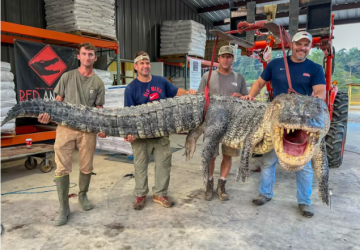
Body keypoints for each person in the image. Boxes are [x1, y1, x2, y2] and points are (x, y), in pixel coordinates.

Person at [241, 31, 326, 218]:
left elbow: (320, 92)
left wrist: (311, 102)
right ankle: (265, 194)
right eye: (299, 44)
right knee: (268, 159)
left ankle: (304, 202)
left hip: (302, 121)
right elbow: (259, 82)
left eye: (306, 45)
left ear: (310, 47)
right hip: (277, 121)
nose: (302, 48)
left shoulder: (315, 68)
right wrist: (251, 95)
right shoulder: (276, 64)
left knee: (303, 165)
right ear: (291, 45)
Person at [38, 42, 106, 226]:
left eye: (91, 54)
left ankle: (83, 196)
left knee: (86, 166)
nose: (87, 57)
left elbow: (99, 109)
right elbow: (56, 103)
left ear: (95, 58)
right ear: (78, 56)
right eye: (84, 54)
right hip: (65, 129)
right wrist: (47, 115)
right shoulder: (67, 77)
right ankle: (64, 207)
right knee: (61, 168)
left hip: (87, 131)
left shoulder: (98, 83)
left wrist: (101, 127)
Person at [124, 51, 196, 210]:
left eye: (147, 63)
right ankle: (141, 195)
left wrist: (189, 92)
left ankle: (160, 193)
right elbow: (128, 114)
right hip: (141, 136)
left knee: (164, 164)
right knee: (140, 165)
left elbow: (176, 92)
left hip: (161, 133)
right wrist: (129, 134)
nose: (145, 66)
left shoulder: (161, 81)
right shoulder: (131, 89)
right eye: (141, 63)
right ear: (135, 66)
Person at [198, 45, 249, 201]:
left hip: (232, 125)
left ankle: (222, 185)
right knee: (210, 156)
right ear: (218, 59)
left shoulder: (239, 78)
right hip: (212, 123)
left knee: (228, 155)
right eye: (223, 56)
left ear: (232, 59)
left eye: (229, 56)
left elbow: (246, 100)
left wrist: (240, 96)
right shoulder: (208, 76)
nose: (225, 59)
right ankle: (209, 184)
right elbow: (200, 99)